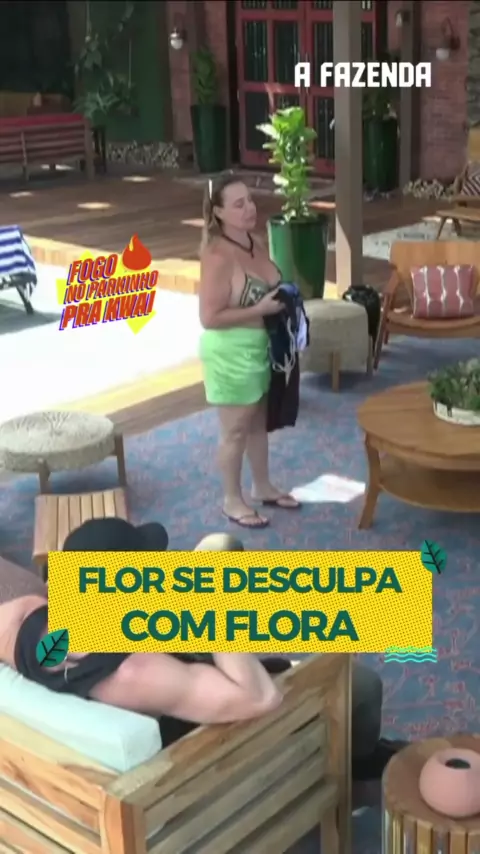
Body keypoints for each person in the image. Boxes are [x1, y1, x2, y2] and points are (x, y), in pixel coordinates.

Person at [0, 518, 402, 791]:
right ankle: (358, 761)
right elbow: (263, 698)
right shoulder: (137, 673)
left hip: (167, 663)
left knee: (223, 547)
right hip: (215, 737)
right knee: (362, 684)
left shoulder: (26, 622)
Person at [199, 173, 301, 530]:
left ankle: (262, 485)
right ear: (219, 212)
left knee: (258, 422)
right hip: (230, 354)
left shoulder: (254, 241)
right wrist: (259, 310)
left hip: (263, 347)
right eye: (238, 204)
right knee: (235, 431)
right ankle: (232, 500)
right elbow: (209, 318)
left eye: (251, 201)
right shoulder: (217, 256)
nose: (249, 209)